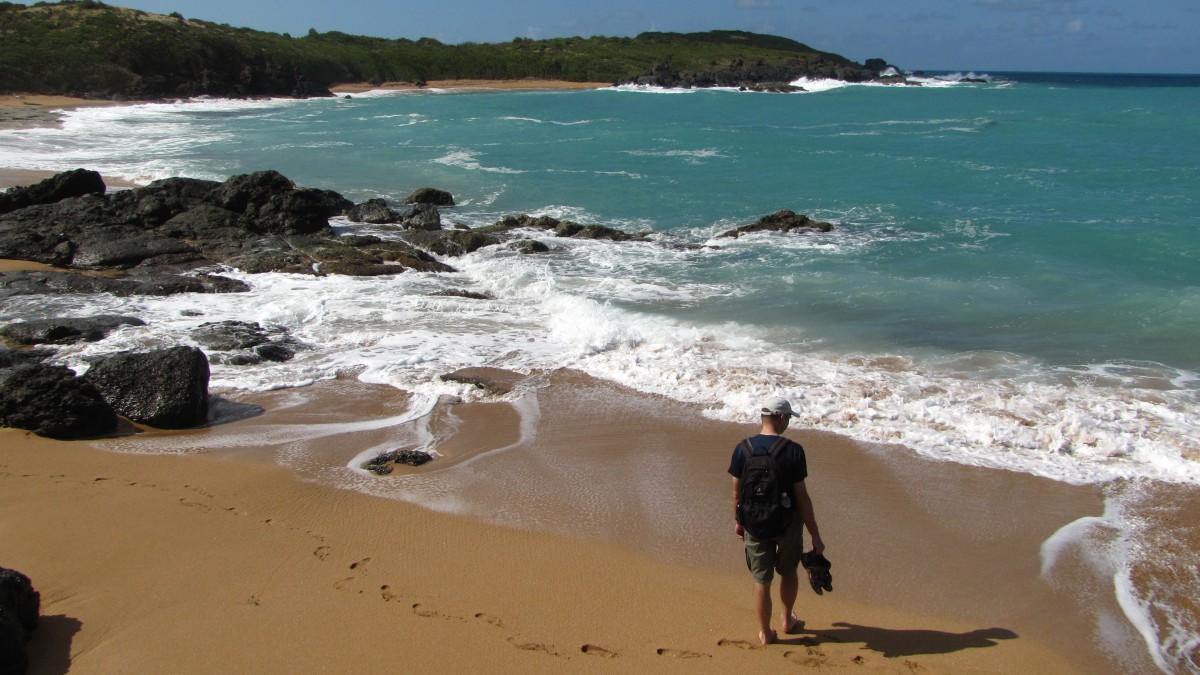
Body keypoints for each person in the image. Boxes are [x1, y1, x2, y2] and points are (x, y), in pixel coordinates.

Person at [728, 396, 825, 646]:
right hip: (787, 524)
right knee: (788, 570)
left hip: (754, 524)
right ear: (782, 418)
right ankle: (787, 619)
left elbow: (736, 493)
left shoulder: (743, 449)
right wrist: (814, 533)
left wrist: (738, 521)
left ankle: (765, 632)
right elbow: (802, 496)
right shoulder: (794, 451)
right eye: (789, 418)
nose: (789, 423)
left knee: (761, 580)